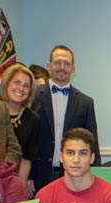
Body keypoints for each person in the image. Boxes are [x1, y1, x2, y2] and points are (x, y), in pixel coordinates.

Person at [30, 45, 101, 193]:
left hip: (74, 176)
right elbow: (27, 141)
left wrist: (96, 176)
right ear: (48, 65)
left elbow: (92, 142)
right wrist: (26, 177)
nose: (61, 67)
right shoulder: (33, 98)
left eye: (67, 64)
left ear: (73, 68)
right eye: (57, 62)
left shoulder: (85, 102)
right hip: (38, 176)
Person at [0, 63, 40, 198]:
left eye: (26, 85)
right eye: (16, 82)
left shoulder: (32, 118)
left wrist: (19, 192)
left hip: (14, 181)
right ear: (6, 83)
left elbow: (26, 159)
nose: (20, 88)